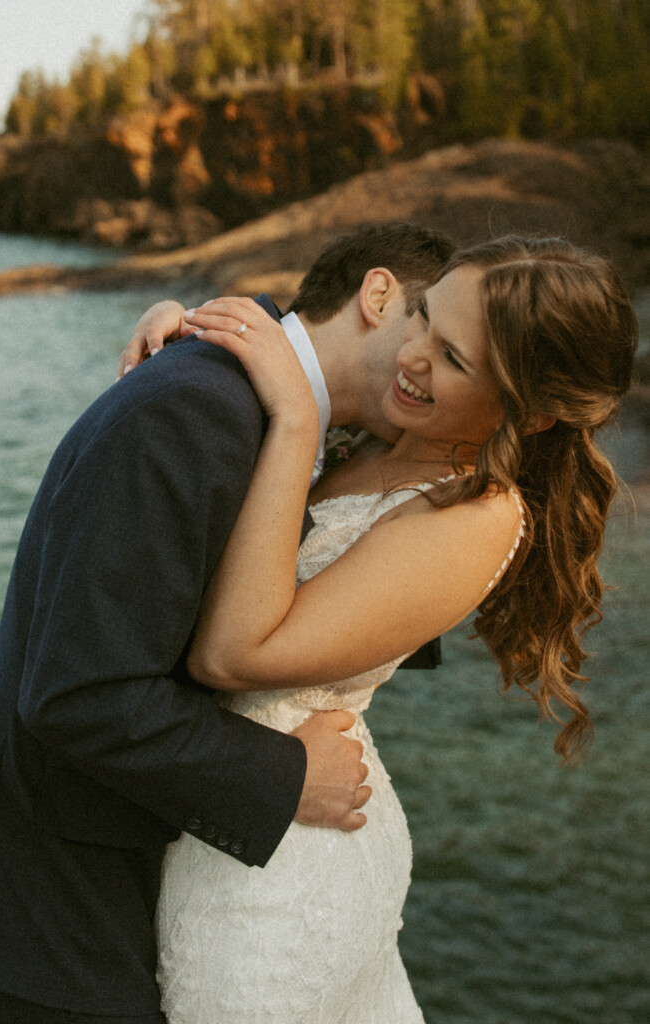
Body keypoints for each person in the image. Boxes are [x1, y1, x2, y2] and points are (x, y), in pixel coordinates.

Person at [0, 222, 453, 1023]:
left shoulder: (285, 417)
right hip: (51, 914)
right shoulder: (194, 407)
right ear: (377, 296)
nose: (438, 367)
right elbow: (79, 693)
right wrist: (285, 776)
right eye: (434, 331)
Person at [144, 236, 637, 1022]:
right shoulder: (387, 427)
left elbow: (234, 652)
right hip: (239, 803)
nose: (409, 356)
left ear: (534, 412)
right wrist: (186, 349)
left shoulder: (477, 515)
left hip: (283, 868)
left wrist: (294, 425)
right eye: (419, 318)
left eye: (452, 359)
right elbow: (305, 351)